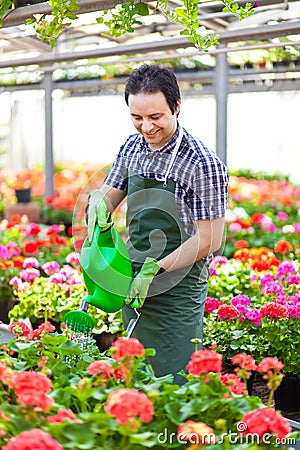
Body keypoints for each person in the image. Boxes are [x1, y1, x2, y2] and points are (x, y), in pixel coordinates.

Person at [87, 64, 228, 384]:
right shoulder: (131, 147)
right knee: (135, 370)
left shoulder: (201, 164)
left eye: (156, 117)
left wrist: (155, 270)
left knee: (173, 374)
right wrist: (98, 205)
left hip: (178, 284)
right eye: (137, 118)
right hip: (133, 272)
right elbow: (111, 194)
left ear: (177, 107)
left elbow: (210, 239)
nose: (146, 127)